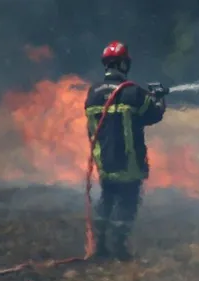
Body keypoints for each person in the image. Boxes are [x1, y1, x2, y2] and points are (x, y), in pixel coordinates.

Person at [83, 41, 167, 261]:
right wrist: (158, 97)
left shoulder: (93, 93)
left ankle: (99, 247)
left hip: (105, 163)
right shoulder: (132, 92)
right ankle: (119, 248)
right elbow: (154, 114)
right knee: (127, 202)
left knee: (107, 199)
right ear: (123, 64)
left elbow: (91, 128)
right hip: (129, 162)